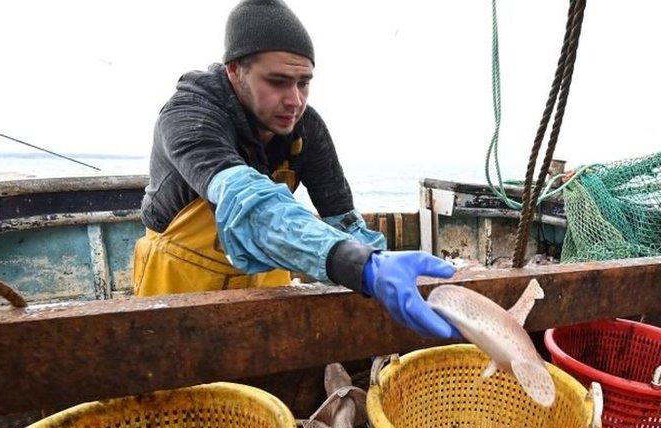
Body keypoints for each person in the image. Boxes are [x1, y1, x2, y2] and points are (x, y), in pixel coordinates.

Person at [134, 0, 458, 339]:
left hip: (266, 276)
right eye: (278, 82)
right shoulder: (190, 115)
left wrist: (382, 262)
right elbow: (247, 204)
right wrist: (360, 267)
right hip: (179, 281)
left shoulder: (306, 129)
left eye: (303, 82)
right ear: (234, 70)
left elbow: (343, 220)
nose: (295, 101)